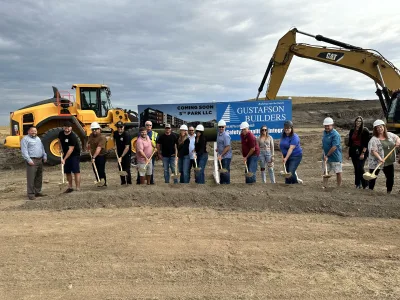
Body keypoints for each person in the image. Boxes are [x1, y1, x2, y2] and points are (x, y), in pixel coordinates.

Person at [367, 119, 400, 194]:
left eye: (381, 127)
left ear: (384, 127)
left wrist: (398, 141)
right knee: (373, 177)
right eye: (377, 128)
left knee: (390, 177)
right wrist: (380, 159)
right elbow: (373, 151)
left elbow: (397, 138)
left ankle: (389, 191)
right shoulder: (374, 139)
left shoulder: (390, 135)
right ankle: (370, 191)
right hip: (377, 162)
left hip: (388, 161)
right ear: (375, 129)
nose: (379, 129)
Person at [21, 126, 47, 200]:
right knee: (31, 178)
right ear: (28, 131)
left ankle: (37, 191)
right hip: (32, 160)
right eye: (32, 131)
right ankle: (31, 194)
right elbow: (24, 151)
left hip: (40, 159)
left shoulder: (38, 138)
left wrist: (44, 155)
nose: (34, 132)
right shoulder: (25, 139)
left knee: (39, 177)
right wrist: (29, 160)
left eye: (35, 131)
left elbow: (42, 148)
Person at [347, 116, 370, 189]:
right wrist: (348, 153)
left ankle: (366, 184)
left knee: (360, 167)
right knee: (356, 168)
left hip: (362, 151)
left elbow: (366, 143)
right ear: (355, 122)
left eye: (360, 121)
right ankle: (357, 184)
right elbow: (350, 143)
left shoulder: (365, 130)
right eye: (357, 121)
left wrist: (363, 153)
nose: (358, 122)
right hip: (353, 150)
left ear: (362, 122)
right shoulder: (352, 130)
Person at [58, 121, 81, 193]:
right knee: (67, 172)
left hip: (74, 155)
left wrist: (64, 159)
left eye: (68, 127)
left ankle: (78, 187)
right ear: (63, 127)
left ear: (71, 127)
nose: (67, 128)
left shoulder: (73, 136)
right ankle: (70, 187)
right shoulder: (61, 133)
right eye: (65, 127)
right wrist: (60, 148)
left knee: (76, 171)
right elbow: (59, 140)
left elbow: (71, 149)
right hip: (65, 153)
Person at [321, 117, 343, 188]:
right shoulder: (324, 133)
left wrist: (327, 155)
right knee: (325, 171)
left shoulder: (335, 134)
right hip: (326, 155)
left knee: (338, 172)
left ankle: (338, 186)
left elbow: (334, 147)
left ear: (332, 125)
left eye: (328, 125)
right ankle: (325, 185)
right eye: (325, 125)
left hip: (335, 156)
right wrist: (324, 154)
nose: (327, 127)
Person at [87, 122, 107, 187]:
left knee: (101, 169)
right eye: (93, 129)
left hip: (101, 155)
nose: (94, 131)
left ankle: (103, 182)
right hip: (93, 155)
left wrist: (93, 157)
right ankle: (98, 181)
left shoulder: (102, 137)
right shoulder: (91, 135)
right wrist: (88, 145)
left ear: (99, 129)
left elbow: (99, 148)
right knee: (95, 169)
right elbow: (88, 142)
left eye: (95, 129)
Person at [113, 121, 132, 185]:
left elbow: (127, 147)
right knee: (121, 168)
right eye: (118, 127)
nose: (119, 128)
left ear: (123, 127)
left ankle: (129, 182)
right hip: (119, 153)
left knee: (126, 169)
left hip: (126, 154)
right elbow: (114, 140)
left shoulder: (126, 135)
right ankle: (123, 182)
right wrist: (114, 145)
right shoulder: (115, 133)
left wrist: (121, 157)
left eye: (121, 127)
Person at [216, 120, 232, 184]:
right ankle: (222, 184)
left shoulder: (226, 135)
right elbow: (221, 144)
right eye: (220, 127)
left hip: (226, 157)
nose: (221, 128)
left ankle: (227, 185)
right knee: (221, 171)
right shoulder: (218, 135)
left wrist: (221, 154)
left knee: (225, 171)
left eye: (222, 127)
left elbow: (227, 147)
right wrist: (218, 149)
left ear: (225, 127)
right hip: (221, 156)